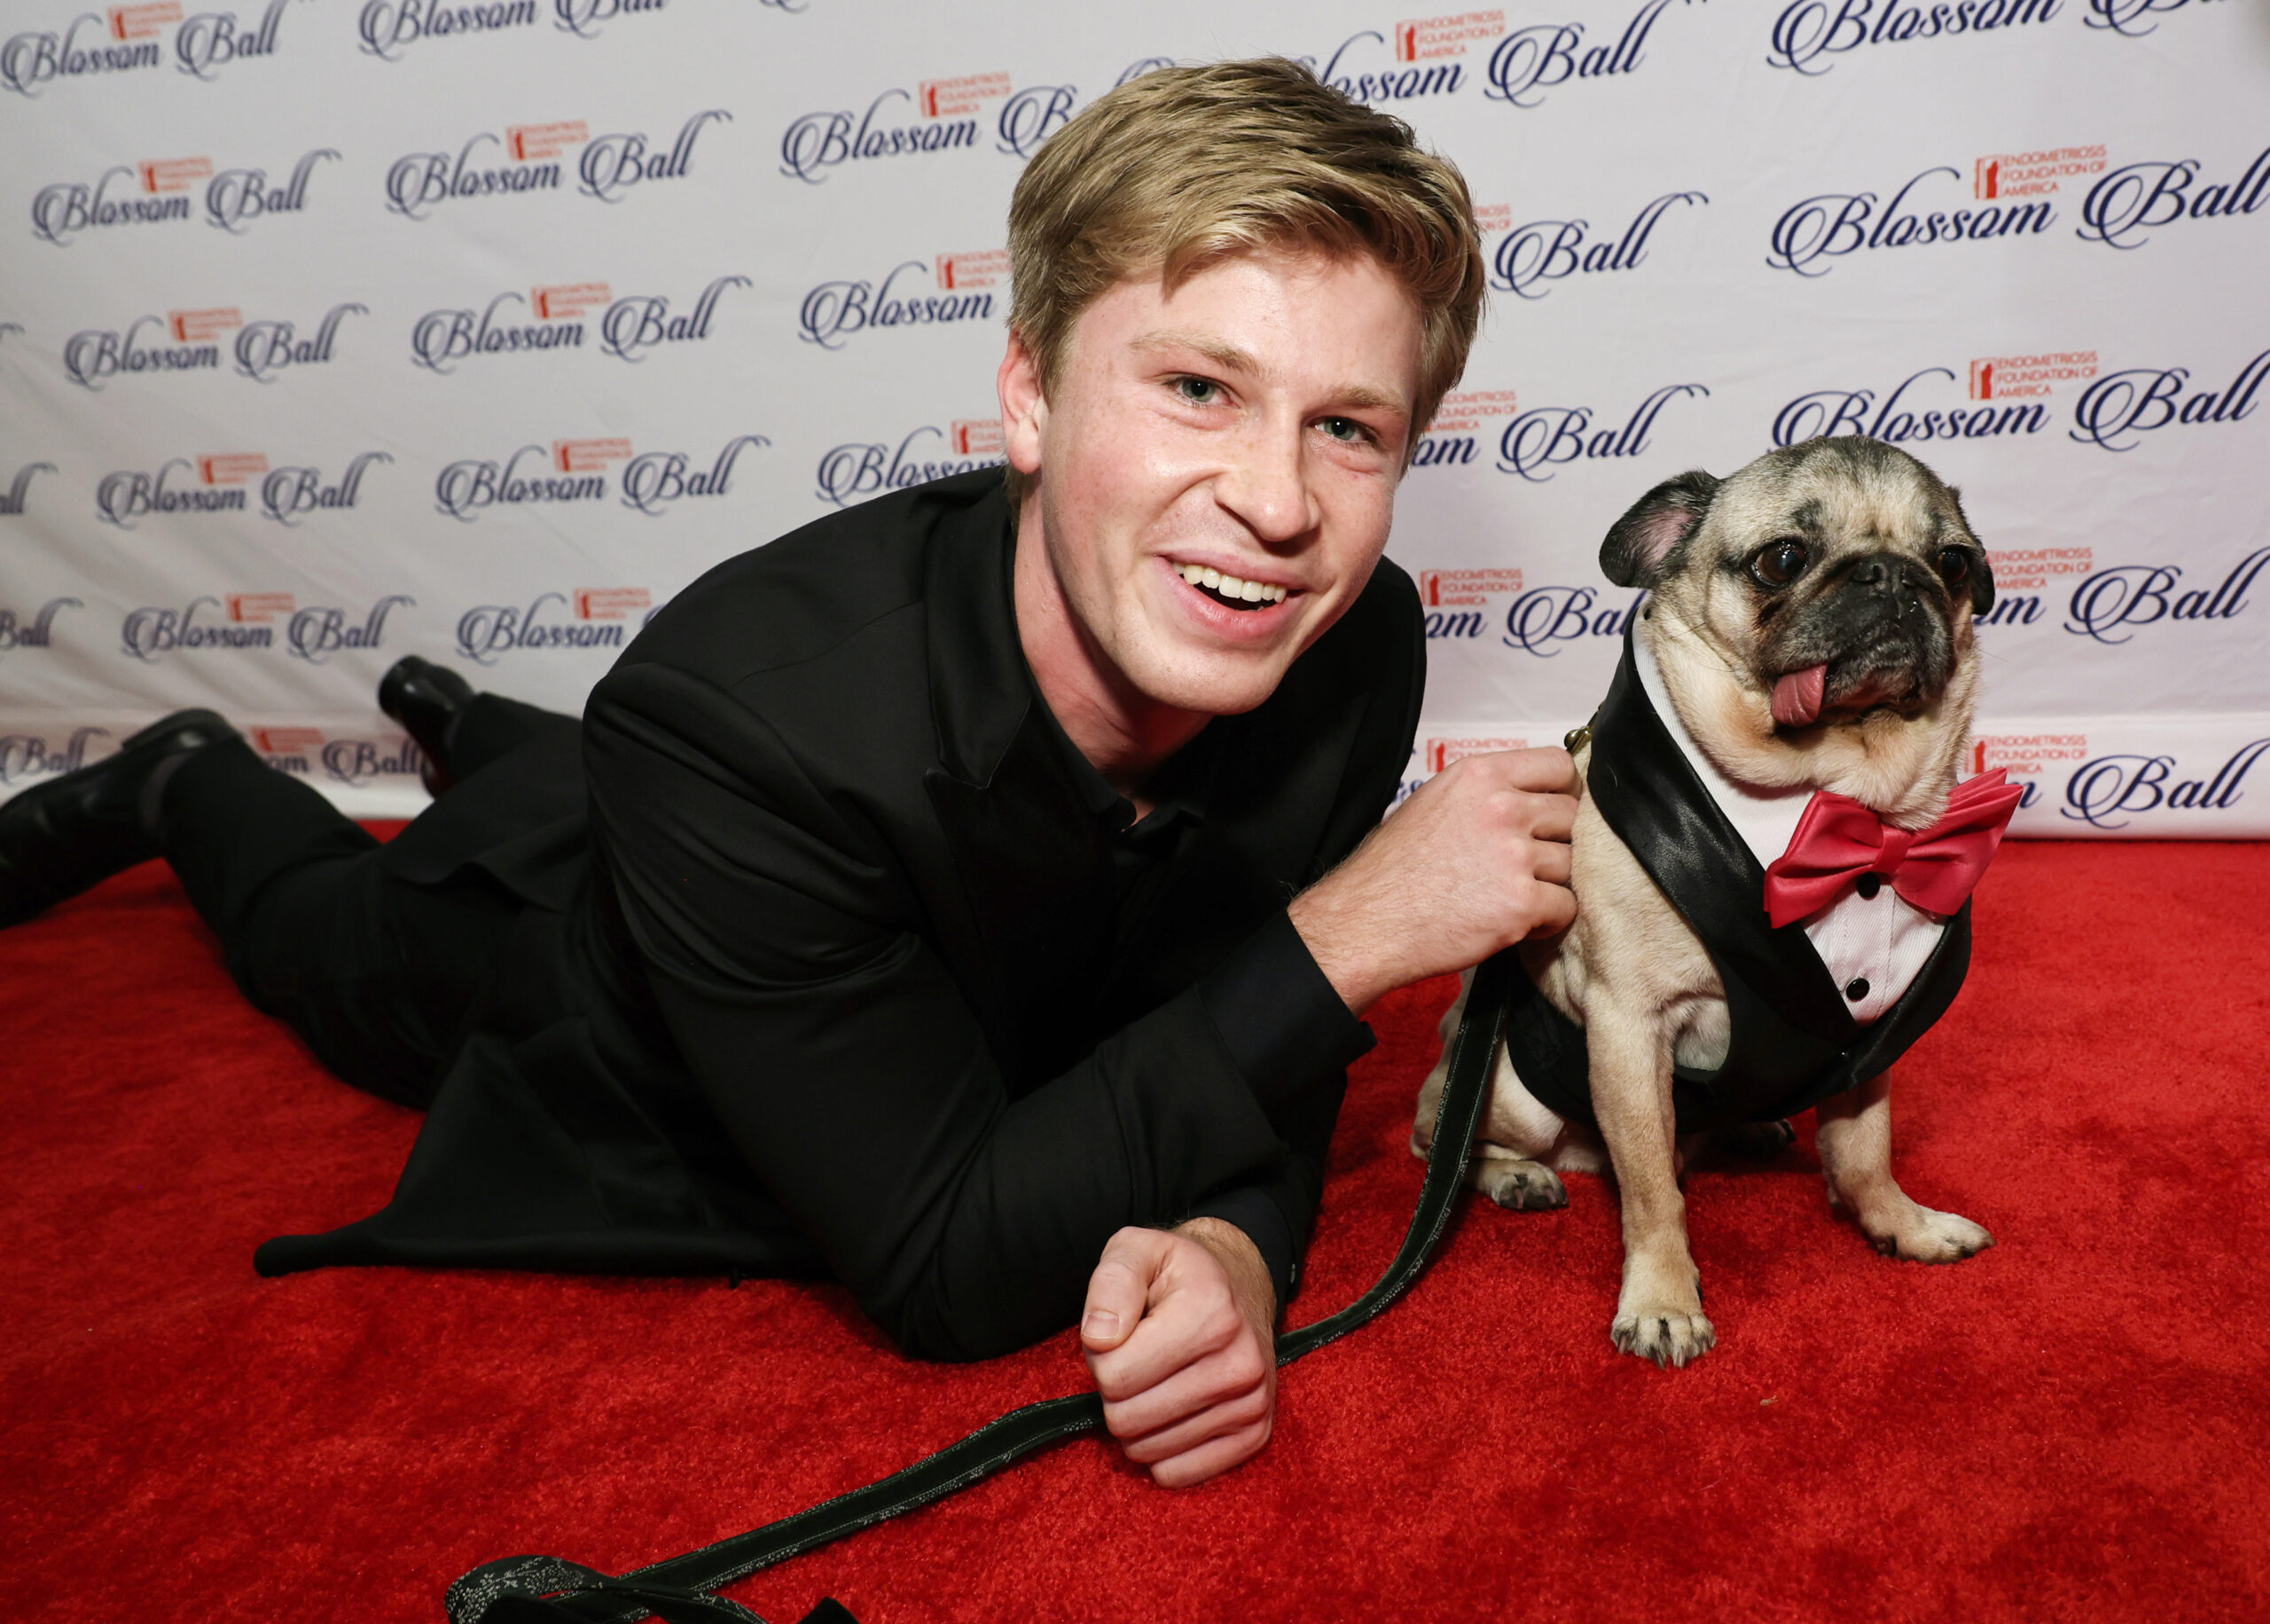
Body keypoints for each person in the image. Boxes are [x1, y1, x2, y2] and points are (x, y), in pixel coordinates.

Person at [0, 60, 1577, 1488]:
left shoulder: (1351, 637)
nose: (1276, 502)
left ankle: (469, 711)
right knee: (320, 936)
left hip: (792, 859)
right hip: (589, 980)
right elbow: (951, 1257)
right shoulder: (738, 723)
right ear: (1028, 393)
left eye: (1349, 429)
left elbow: (1248, 1031)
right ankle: (182, 778)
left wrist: (1240, 1236)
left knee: (622, 769)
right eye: (1197, 389)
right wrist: (1359, 931)